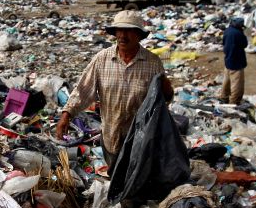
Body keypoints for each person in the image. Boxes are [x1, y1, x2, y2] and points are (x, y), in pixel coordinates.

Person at [55, 10, 173, 171]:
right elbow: (83, 91)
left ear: (139, 35)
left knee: (137, 181)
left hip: (141, 139)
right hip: (111, 136)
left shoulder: (152, 63)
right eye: (119, 30)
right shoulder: (102, 59)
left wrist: (167, 89)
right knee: (116, 178)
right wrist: (66, 115)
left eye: (129, 31)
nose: (123, 36)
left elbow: (164, 99)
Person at [220, 16, 248, 105]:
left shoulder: (227, 31)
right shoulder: (238, 33)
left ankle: (224, 97)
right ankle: (234, 102)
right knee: (237, 84)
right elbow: (245, 44)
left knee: (227, 80)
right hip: (237, 61)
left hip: (228, 59)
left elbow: (224, 43)